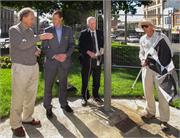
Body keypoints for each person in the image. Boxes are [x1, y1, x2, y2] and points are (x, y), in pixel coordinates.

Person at [9, 7, 53, 137]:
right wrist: (39, 37)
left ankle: (27, 118)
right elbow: (22, 44)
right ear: (23, 17)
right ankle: (15, 124)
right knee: (18, 98)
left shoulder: (30, 31)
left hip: (33, 67)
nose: (33, 20)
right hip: (20, 68)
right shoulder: (14, 30)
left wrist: (36, 50)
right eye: (31, 17)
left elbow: (29, 45)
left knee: (30, 95)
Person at [139, 19, 177, 131]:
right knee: (148, 92)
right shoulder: (142, 39)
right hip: (147, 69)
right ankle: (150, 112)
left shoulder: (161, 37)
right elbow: (141, 52)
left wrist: (159, 61)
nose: (144, 28)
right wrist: (142, 59)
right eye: (143, 26)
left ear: (152, 26)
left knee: (162, 94)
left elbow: (170, 52)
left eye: (146, 25)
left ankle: (164, 120)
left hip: (160, 70)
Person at [42, 10, 74, 119]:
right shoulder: (47, 30)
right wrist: (55, 56)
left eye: (55, 18)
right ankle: (48, 107)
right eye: (52, 18)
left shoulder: (68, 30)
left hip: (64, 62)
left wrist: (66, 55)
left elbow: (72, 45)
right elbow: (44, 48)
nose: (53, 21)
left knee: (63, 85)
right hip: (51, 63)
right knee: (48, 86)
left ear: (61, 18)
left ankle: (64, 104)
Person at [78, 16, 104, 107]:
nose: (93, 25)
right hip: (87, 61)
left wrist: (101, 52)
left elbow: (103, 44)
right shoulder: (83, 33)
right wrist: (88, 52)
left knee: (97, 80)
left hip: (97, 60)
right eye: (91, 23)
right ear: (88, 24)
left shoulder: (100, 33)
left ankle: (96, 96)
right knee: (85, 80)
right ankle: (84, 97)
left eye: (94, 23)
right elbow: (80, 47)